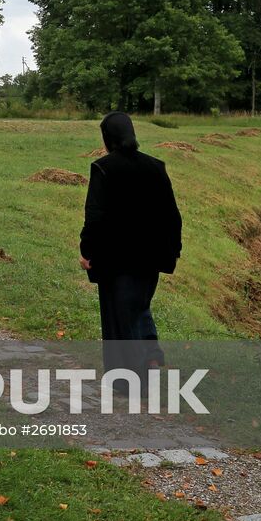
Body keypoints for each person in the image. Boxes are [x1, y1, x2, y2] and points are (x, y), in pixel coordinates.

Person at [78, 112, 182, 376]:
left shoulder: (103, 168)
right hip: (151, 256)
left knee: (122, 318)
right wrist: (173, 250)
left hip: (116, 258)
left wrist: (87, 252)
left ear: (107, 138)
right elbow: (172, 214)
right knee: (139, 306)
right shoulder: (155, 166)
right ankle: (151, 358)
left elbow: (96, 216)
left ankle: (136, 375)